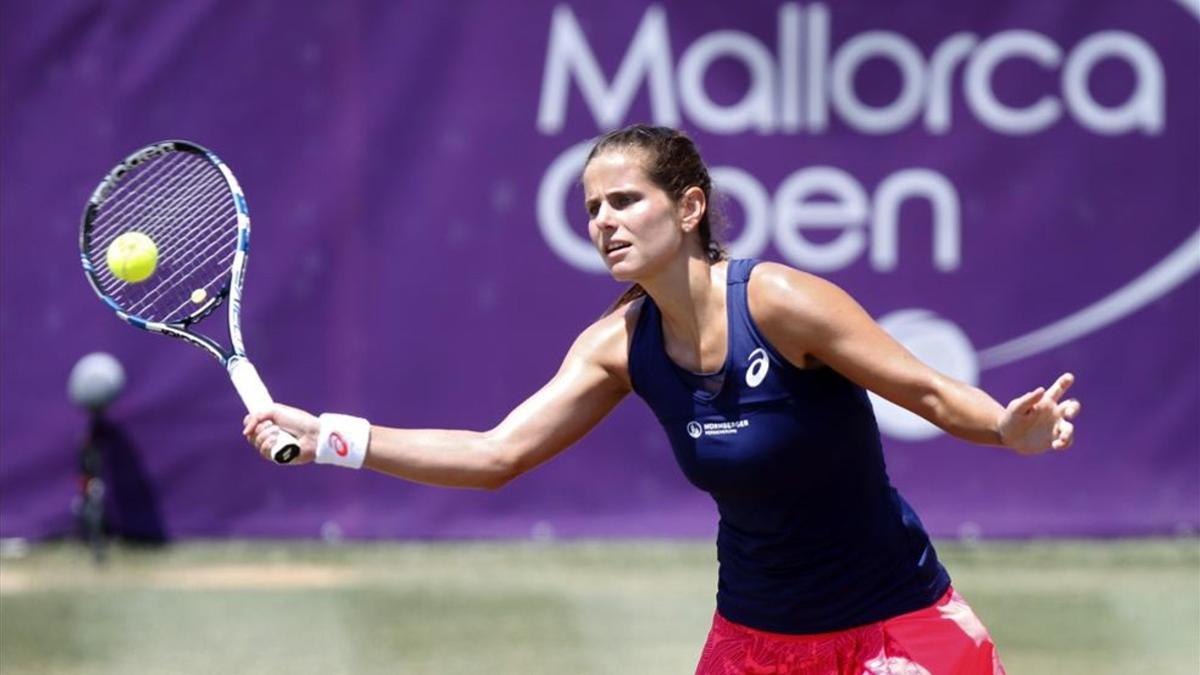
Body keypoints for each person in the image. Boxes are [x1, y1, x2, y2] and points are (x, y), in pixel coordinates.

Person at [244, 124, 1080, 674]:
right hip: (754, 639)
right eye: (592, 209)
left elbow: (928, 390)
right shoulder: (617, 345)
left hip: (896, 627)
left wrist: (1005, 428)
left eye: (624, 200)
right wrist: (327, 436)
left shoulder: (781, 301)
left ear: (689, 207)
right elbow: (495, 455)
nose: (604, 221)